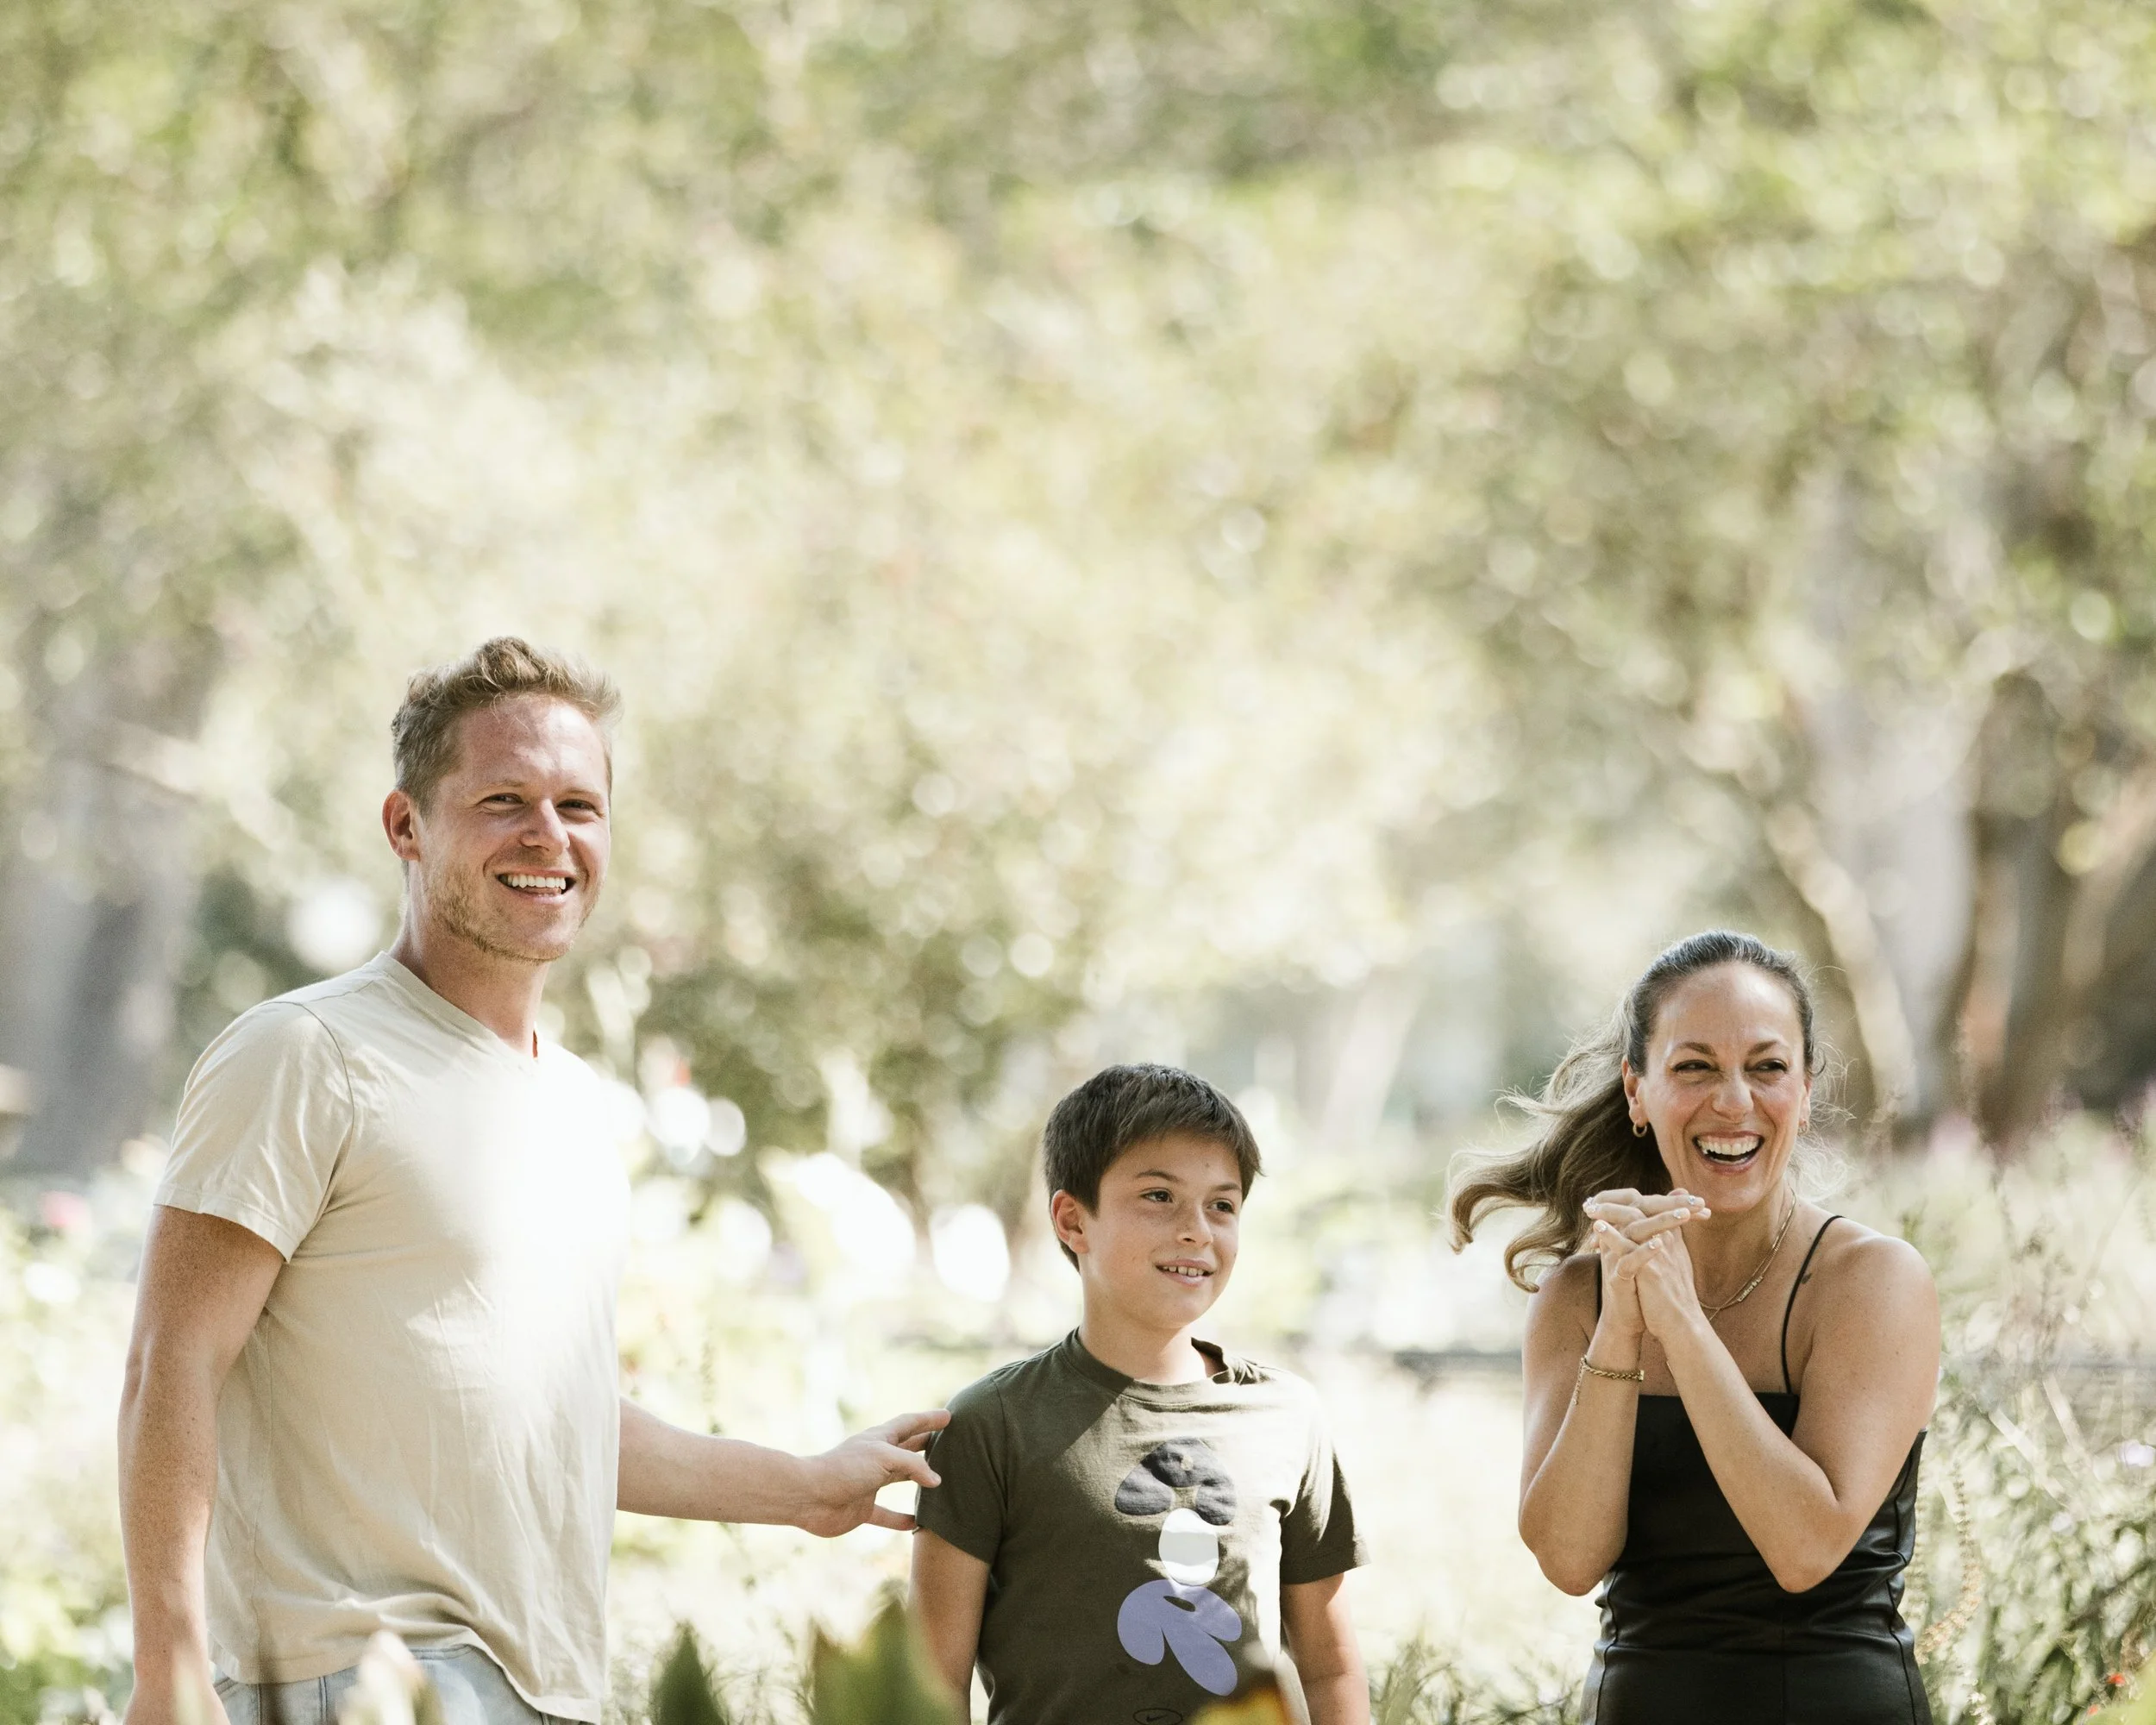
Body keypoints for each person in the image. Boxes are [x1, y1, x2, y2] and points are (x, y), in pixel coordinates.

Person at [117, 638, 949, 1725]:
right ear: (406, 826)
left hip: (547, 1692)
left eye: (578, 805)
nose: (547, 835)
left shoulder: (573, 1106)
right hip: (360, 1677)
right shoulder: (305, 1052)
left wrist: (806, 1485)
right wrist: (169, 1675)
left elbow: (562, 1422)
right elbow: (168, 1359)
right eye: (503, 798)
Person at [1451, 930, 1939, 1724]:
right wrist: (1620, 1328)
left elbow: (1806, 1549)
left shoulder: (1873, 1282)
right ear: (1638, 1092)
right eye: (1695, 1067)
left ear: (1807, 1090)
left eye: (1768, 1067)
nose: (1735, 1100)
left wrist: (1679, 1323)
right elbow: (1571, 1561)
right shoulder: (1578, 1299)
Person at [909, 1063, 1368, 1725]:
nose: (1197, 1231)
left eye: (1222, 1204)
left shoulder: (1286, 1417)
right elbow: (932, 1686)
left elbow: (1332, 1670)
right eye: (1159, 1196)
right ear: (1072, 1221)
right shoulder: (991, 1424)